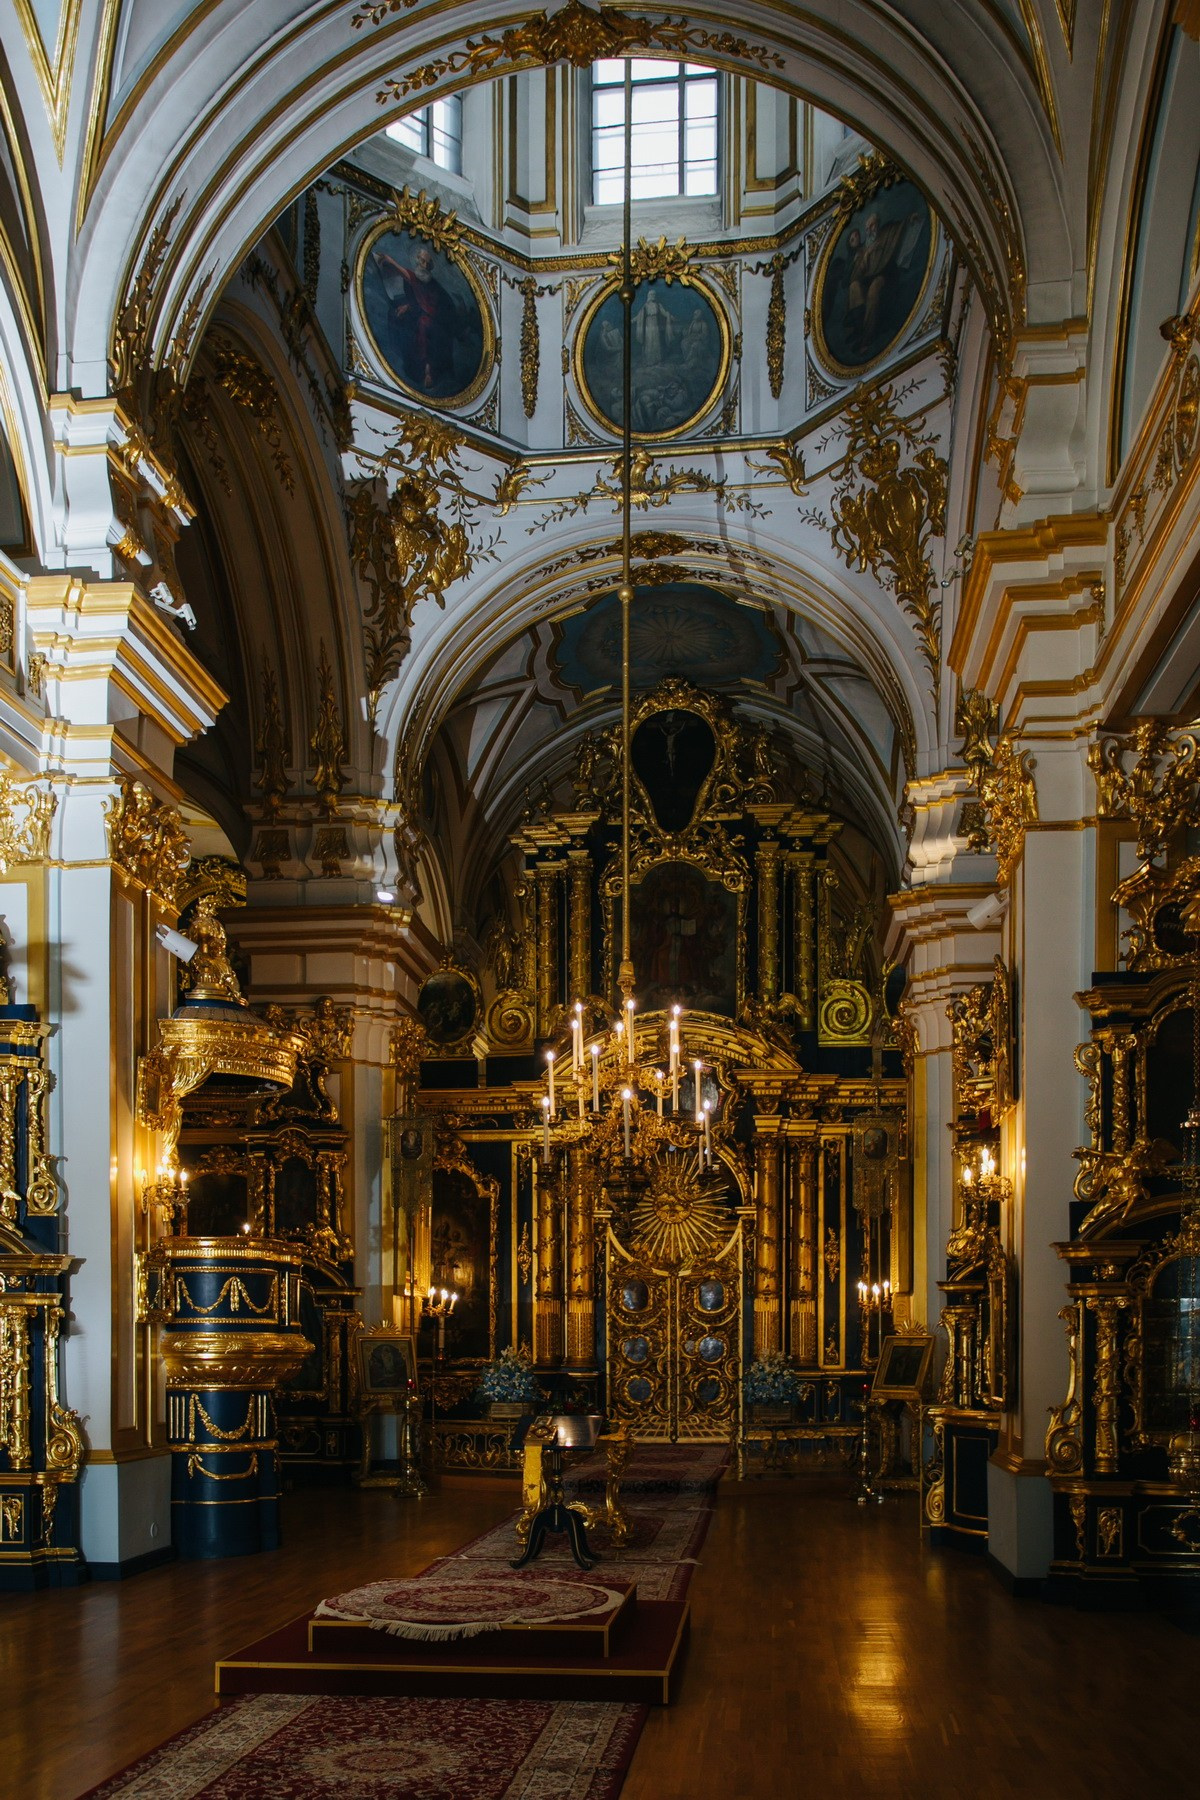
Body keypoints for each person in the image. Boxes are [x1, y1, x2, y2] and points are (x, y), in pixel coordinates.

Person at [371, 241, 459, 392]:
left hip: (436, 321)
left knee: (425, 324)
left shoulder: (433, 284)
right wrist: (409, 306)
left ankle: (428, 370)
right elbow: (407, 280)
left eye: (427, 263)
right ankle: (418, 366)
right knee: (401, 317)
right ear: (416, 261)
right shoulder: (414, 277)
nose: (424, 265)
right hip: (420, 316)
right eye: (422, 261)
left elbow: (441, 306)